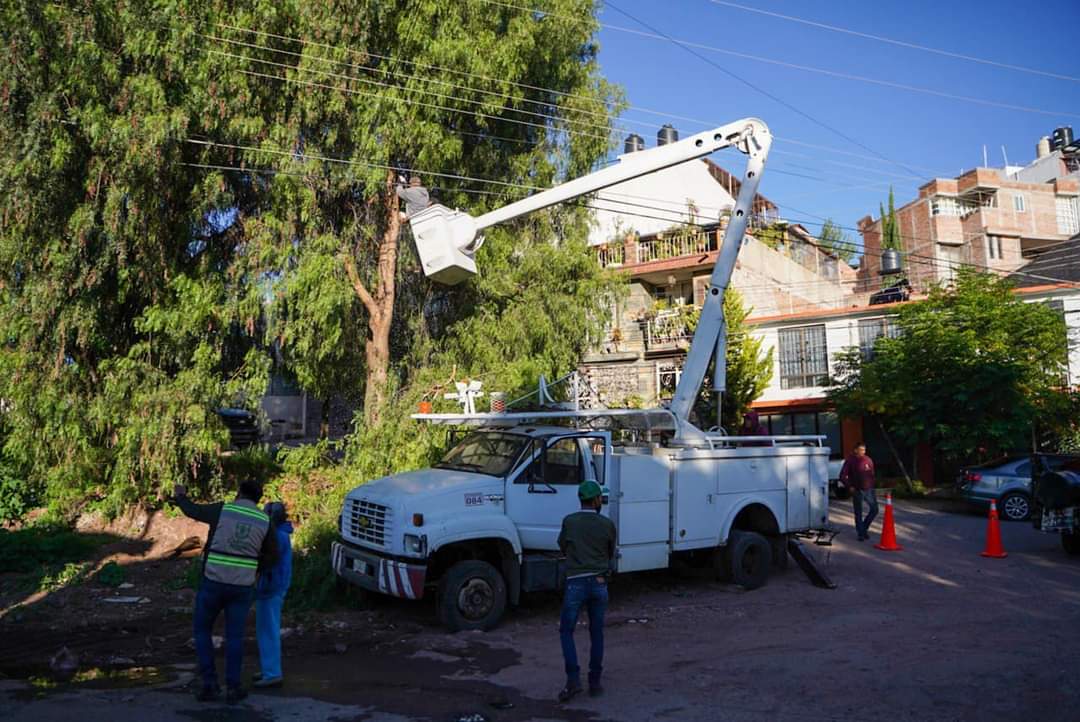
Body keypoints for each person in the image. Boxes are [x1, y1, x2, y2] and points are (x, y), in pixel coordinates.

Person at [172, 480, 276, 704]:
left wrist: (180, 495)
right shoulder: (264, 520)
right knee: (235, 637)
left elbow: (193, 510)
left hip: (213, 582)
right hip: (242, 587)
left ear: (239, 493)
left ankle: (210, 685)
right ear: (258, 499)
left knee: (202, 631)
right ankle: (233, 688)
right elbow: (271, 557)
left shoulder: (223, 510)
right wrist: (254, 570)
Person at [557, 480, 616, 703]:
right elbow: (610, 553)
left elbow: (562, 546)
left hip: (575, 583)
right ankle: (595, 682)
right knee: (596, 632)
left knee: (566, 631)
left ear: (581, 499)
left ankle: (573, 680)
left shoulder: (569, 521)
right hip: (599, 583)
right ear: (597, 500)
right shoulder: (607, 524)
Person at [254, 502, 293, 689]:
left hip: (271, 587)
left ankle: (272, 673)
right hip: (273, 586)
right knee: (266, 630)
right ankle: (268, 669)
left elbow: (266, 560)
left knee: (268, 630)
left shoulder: (277, 536)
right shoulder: (281, 534)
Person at [839, 443, 878, 541]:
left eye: (864, 450)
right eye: (860, 450)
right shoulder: (850, 460)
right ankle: (861, 533)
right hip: (857, 490)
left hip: (869, 489)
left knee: (874, 510)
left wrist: (872, 484)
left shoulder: (868, 459)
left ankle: (863, 528)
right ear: (855, 450)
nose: (862, 452)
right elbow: (842, 475)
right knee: (858, 512)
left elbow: (872, 474)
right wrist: (849, 486)